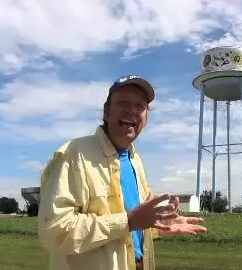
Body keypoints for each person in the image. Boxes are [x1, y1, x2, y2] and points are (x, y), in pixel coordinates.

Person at [38, 75, 207, 270]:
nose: (132, 110)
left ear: (146, 117)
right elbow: (55, 232)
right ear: (106, 111)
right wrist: (127, 221)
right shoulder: (74, 155)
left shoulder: (135, 161)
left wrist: (159, 225)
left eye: (140, 106)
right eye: (123, 102)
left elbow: (130, 230)